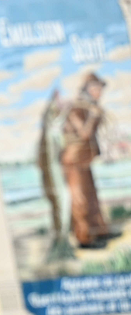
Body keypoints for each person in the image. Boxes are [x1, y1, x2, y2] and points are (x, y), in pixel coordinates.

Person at [61, 72, 110, 248]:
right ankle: (84, 239)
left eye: (100, 88)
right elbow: (84, 134)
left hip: (84, 160)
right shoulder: (76, 108)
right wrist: (94, 116)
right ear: (87, 90)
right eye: (95, 88)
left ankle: (100, 232)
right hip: (73, 161)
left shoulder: (90, 107)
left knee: (92, 197)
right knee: (80, 200)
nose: (99, 92)